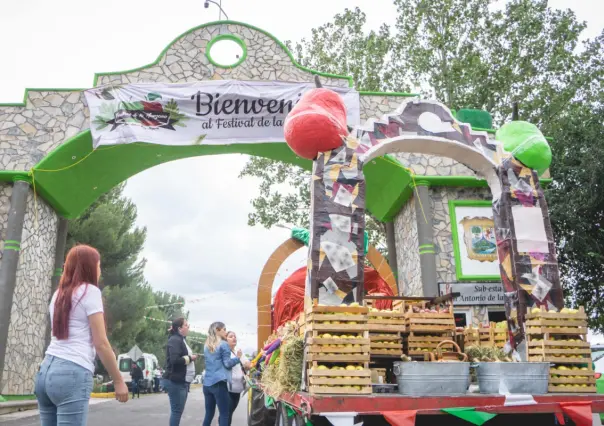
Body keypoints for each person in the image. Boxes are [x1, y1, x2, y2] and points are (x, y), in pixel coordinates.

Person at [35, 244, 128, 426]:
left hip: (45, 371)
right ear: (89, 267)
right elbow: (101, 343)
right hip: (72, 371)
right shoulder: (90, 292)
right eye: (98, 265)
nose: (100, 270)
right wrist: (118, 380)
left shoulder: (58, 294)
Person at [202, 322, 241, 426]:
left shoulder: (207, 345)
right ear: (218, 330)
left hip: (207, 383)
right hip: (219, 383)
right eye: (224, 329)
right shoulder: (223, 344)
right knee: (224, 414)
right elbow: (227, 364)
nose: (225, 331)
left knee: (209, 414)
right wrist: (238, 358)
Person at [164, 317, 197, 426]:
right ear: (180, 328)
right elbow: (174, 360)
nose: (188, 327)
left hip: (182, 381)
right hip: (175, 381)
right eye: (186, 325)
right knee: (177, 411)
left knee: (178, 411)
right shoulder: (175, 340)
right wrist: (190, 358)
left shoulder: (180, 339)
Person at [224, 331, 251, 425]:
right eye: (231, 336)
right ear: (225, 339)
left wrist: (247, 364)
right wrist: (238, 358)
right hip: (227, 388)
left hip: (237, 389)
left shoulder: (238, 352)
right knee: (227, 414)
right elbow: (227, 364)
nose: (234, 338)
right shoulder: (225, 352)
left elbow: (248, 364)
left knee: (229, 413)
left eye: (235, 336)